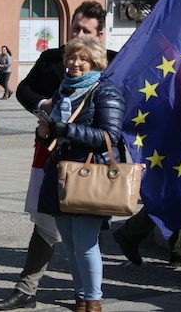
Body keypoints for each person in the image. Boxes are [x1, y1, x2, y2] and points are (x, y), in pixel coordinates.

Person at [0, 0, 111, 310]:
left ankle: (86, 294)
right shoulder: (52, 59)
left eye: (86, 31)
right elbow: (23, 90)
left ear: (100, 35)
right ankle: (27, 289)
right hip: (50, 154)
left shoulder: (114, 65)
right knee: (47, 223)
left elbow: (116, 121)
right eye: (75, 29)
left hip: (90, 163)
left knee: (83, 236)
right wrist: (45, 106)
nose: (78, 35)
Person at [36, 38, 124, 312]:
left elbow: (110, 136)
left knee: (86, 244)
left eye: (83, 59)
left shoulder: (105, 91)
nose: (76, 63)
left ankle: (92, 300)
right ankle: (81, 295)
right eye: (73, 58)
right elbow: (58, 129)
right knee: (71, 244)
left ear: (95, 63)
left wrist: (66, 130)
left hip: (89, 174)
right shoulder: (63, 89)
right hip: (61, 172)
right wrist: (46, 131)